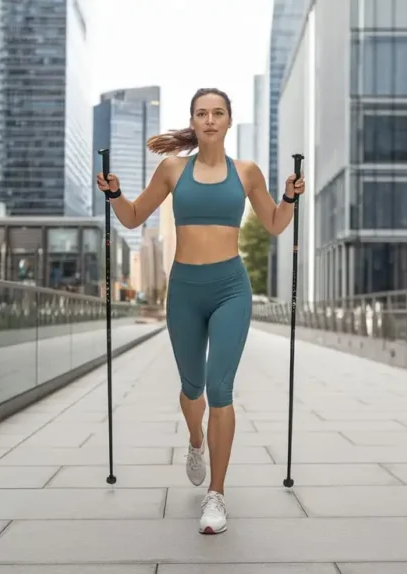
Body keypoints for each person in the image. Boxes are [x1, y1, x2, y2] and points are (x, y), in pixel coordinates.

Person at [96, 87, 304, 534]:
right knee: (192, 387)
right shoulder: (172, 169)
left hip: (231, 287)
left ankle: (217, 493)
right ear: (193, 121)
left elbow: (273, 225)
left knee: (219, 386)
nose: (210, 119)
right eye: (202, 113)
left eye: (218, 113)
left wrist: (288, 198)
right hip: (185, 290)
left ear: (229, 121)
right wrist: (114, 194)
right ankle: (195, 441)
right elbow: (132, 217)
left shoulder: (246, 172)